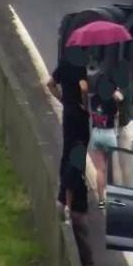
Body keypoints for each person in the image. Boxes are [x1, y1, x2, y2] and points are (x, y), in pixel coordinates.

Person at [46, 45, 90, 207]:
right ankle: (72, 194)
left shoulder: (64, 63)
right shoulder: (80, 65)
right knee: (79, 152)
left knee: (67, 151)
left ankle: (62, 194)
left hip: (68, 112)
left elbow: (50, 83)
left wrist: (62, 100)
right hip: (79, 114)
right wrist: (85, 104)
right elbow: (83, 87)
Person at [83, 69, 123, 209]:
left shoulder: (93, 99)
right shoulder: (111, 101)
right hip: (109, 134)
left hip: (96, 134)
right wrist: (116, 93)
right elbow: (119, 107)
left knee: (100, 170)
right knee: (115, 169)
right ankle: (116, 199)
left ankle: (101, 202)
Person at [63, 143, 96, 266]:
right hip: (78, 212)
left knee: (83, 241)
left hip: (81, 209)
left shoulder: (76, 168)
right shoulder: (75, 170)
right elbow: (69, 189)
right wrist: (69, 209)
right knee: (84, 242)